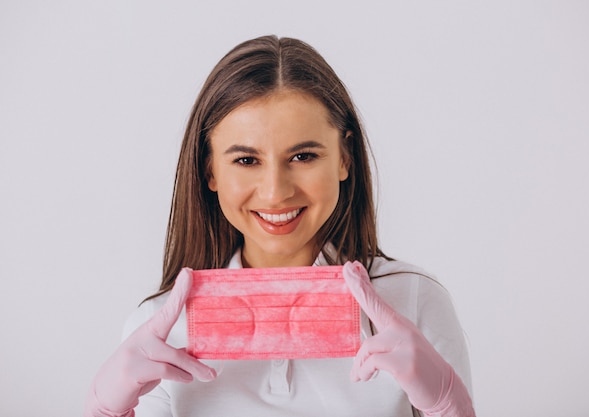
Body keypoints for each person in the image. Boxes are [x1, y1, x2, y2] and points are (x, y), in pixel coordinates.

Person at [84, 35, 475, 417]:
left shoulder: (414, 301)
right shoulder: (158, 329)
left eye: (303, 155)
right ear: (209, 170)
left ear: (344, 159)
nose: (275, 193)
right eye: (246, 160)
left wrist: (448, 408)